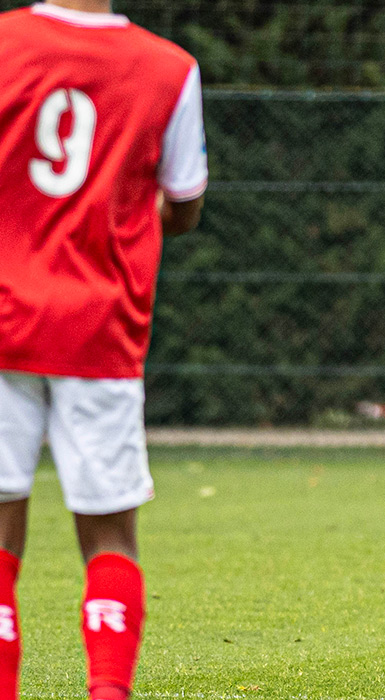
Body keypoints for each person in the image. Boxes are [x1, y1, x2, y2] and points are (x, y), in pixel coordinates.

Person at [0, 1, 207, 699]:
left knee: (1, 534)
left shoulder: (4, 44)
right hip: (100, 327)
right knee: (110, 535)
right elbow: (184, 204)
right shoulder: (170, 69)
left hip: (3, 321)